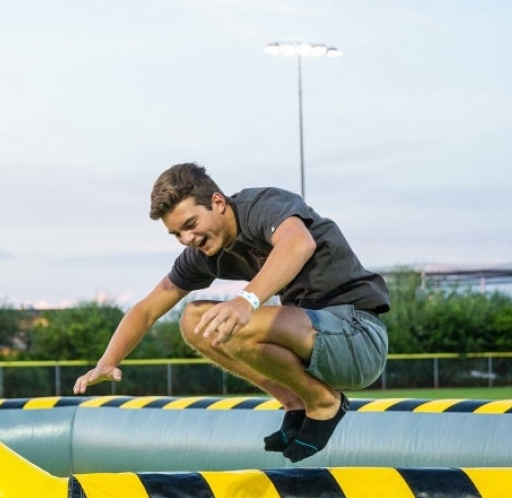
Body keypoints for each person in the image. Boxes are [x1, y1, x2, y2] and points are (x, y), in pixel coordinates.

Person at [73, 162, 389, 460]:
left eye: (190, 224)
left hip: (358, 336)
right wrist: (107, 361)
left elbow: (298, 243)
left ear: (218, 203)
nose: (187, 239)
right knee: (193, 321)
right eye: (176, 234)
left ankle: (324, 404)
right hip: (312, 340)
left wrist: (245, 302)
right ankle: (294, 401)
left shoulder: (261, 206)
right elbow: (146, 310)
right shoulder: (202, 254)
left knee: (236, 322)